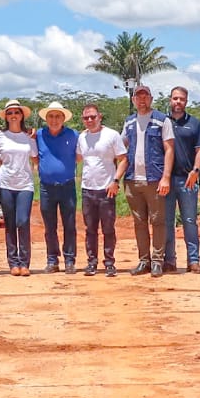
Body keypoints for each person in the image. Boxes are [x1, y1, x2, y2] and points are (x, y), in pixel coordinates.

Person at [120, 84, 174, 277]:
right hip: (132, 180)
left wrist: (166, 177)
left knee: (158, 221)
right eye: (138, 97)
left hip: (154, 179)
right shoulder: (129, 122)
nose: (142, 100)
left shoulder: (162, 120)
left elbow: (169, 149)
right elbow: (120, 147)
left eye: (145, 96)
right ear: (133, 100)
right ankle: (144, 261)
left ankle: (157, 261)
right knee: (139, 223)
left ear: (151, 99)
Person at [76, 103, 126, 277]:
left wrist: (116, 181)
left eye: (93, 117)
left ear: (100, 117)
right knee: (90, 229)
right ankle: (92, 262)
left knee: (108, 229)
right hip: (87, 189)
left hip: (106, 189)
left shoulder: (112, 135)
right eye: (86, 118)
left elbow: (123, 159)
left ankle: (109, 263)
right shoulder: (82, 137)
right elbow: (77, 158)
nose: (90, 120)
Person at [162, 86, 200, 274]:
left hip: (187, 180)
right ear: (170, 100)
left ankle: (193, 260)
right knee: (167, 222)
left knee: (189, 221)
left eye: (181, 99)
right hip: (165, 181)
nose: (178, 102)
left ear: (186, 101)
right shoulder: (162, 121)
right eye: (175, 98)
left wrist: (195, 171)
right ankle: (169, 260)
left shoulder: (194, 124)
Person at [0, 99, 39, 275]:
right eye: (10, 113)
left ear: (22, 115)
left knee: (23, 221)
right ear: (6, 116)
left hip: (25, 185)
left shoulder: (28, 137)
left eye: (16, 112)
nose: (13, 115)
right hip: (5, 184)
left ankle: (24, 262)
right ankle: (13, 262)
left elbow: (35, 158)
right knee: (10, 223)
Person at [34, 102, 79, 273]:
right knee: (49, 226)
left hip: (67, 186)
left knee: (69, 224)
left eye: (58, 116)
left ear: (63, 118)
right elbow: (34, 156)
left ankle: (69, 260)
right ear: (46, 119)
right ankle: (52, 260)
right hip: (47, 188)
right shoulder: (39, 135)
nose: (54, 120)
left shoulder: (73, 135)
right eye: (51, 116)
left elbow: (80, 156)